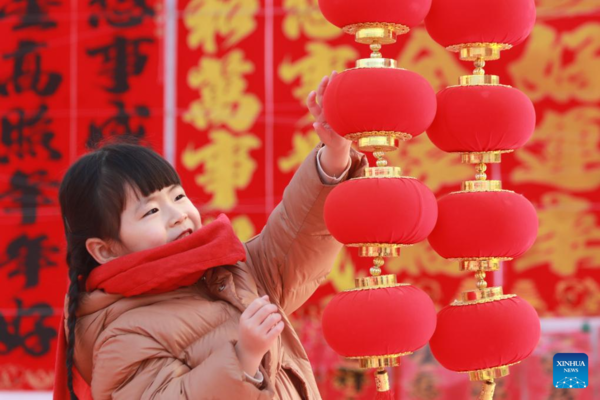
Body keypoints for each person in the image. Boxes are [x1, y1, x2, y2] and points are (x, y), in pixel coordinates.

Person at [53, 72, 368, 399]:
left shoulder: (227, 272)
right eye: (151, 211)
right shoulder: (120, 335)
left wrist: (334, 156)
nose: (177, 216)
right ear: (104, 250)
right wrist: (242, 358)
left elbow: (294, 239)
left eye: (177, 197)